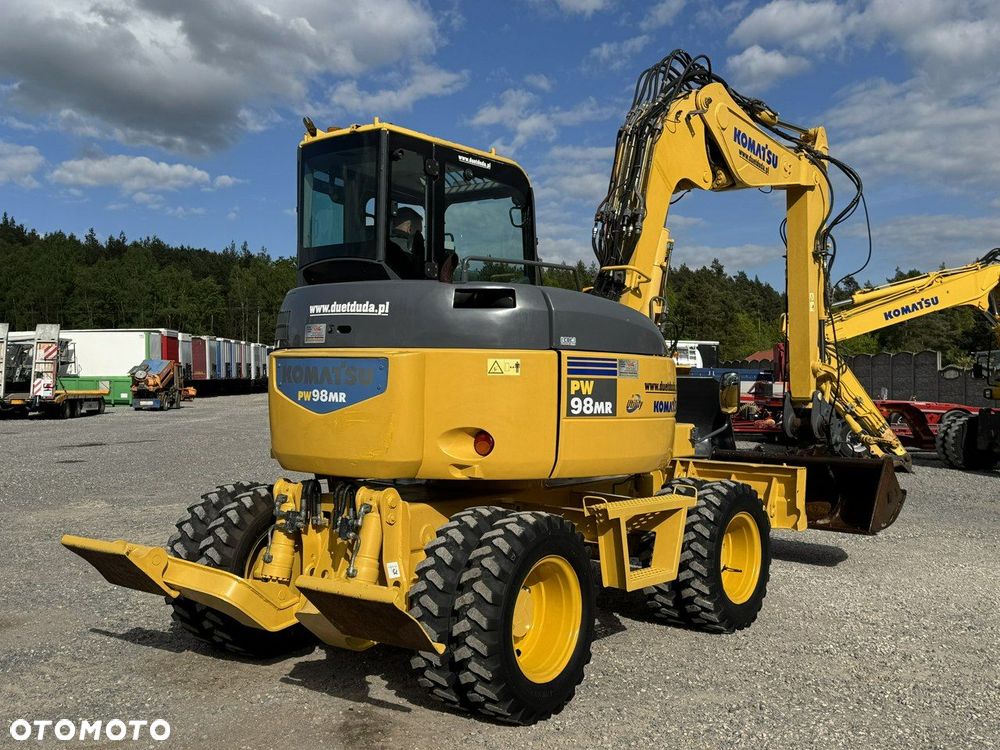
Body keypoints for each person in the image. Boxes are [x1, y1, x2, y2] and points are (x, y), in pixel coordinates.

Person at [387, 206, 425, 278]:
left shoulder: (383, 246)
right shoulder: (405, 254)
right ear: (409, 227)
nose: (419, 236)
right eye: (418, 232)